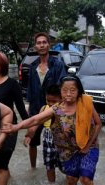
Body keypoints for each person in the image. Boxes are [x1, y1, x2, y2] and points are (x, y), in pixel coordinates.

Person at [2, 75, 102, 185]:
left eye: (73, 90)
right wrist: (16, 127)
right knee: (71, 179)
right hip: (67, 150)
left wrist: (88, 145)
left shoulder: (86, 103)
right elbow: (36, 119)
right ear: (60, 91)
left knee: (86, 179)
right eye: (65, 90)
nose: (68, 94)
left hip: (89, 147)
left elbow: (98, 124)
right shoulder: (56, 109)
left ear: (79, 92)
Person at [0, 51, 29, 185]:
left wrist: (30, 128)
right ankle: (9, 183)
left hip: (8, 128)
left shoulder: (12, 84)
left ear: (1, 65)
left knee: (1, 164)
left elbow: (21, 109)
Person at [27, 32, 67, 168]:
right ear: (35, 46)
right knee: (31, 140)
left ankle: (63, 168)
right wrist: (30, 108)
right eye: (38, 43)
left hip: (54, 109)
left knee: (58, 141)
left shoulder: (58, 65)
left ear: (49, 45)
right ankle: (32, 169)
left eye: (44, 42)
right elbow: (30, 89)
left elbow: (62, 88)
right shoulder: (32, 67)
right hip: (36, 109)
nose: (42, 45)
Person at [24, 85, 61, 183]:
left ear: (61, 99)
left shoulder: (64, 109)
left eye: (54, 101)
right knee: (49, 165)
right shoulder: (44, 108)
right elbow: (37, 121)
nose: (51, 104)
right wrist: (30, 133)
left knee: (64, 165)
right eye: (48, 100)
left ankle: (68, 182)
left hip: (61, 141)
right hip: (48, 140)